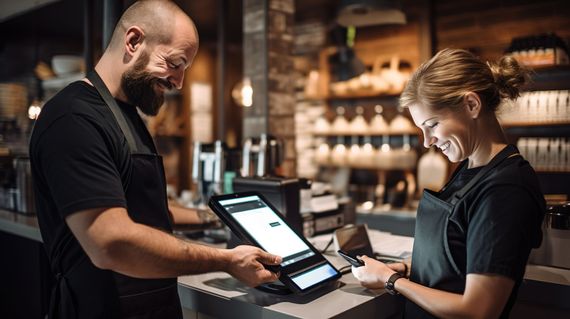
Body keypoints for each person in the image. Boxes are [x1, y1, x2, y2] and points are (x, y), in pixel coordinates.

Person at [29, 1, 281, 318]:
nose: (179, 82)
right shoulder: (72, 118)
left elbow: (144, 208)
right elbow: (112, 242)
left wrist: (214, 217)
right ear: (133, 41)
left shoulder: (126, 115)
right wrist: (225, 259)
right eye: (175, 63)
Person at [352, 48, 545, 318]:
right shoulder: (470, 167)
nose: (426, 141)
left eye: (432, 124)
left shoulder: (506, 189)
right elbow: (462, 258)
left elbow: (479, 310)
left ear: (471, 105)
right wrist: (409, 267)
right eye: (421, 129)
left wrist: (391, 280)